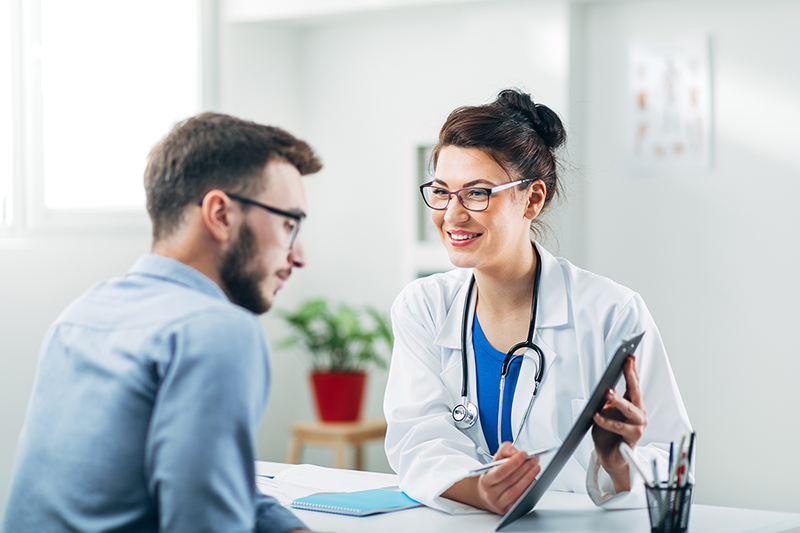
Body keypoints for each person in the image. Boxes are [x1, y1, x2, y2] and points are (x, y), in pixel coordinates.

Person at [2, 113, 324, 532]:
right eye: (288, 224)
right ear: (221, 214)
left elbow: (205, 483)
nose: (299, 256)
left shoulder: (81, 315)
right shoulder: (217, 329)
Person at [383, 89, 692, 515]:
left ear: (533, 199)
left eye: (477, 193)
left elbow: (671, 463)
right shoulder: (423, 307)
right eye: (441, 191)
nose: (451, 215)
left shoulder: (611, 312)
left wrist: (615, 459)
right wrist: (482, 490)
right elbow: (417, 440)